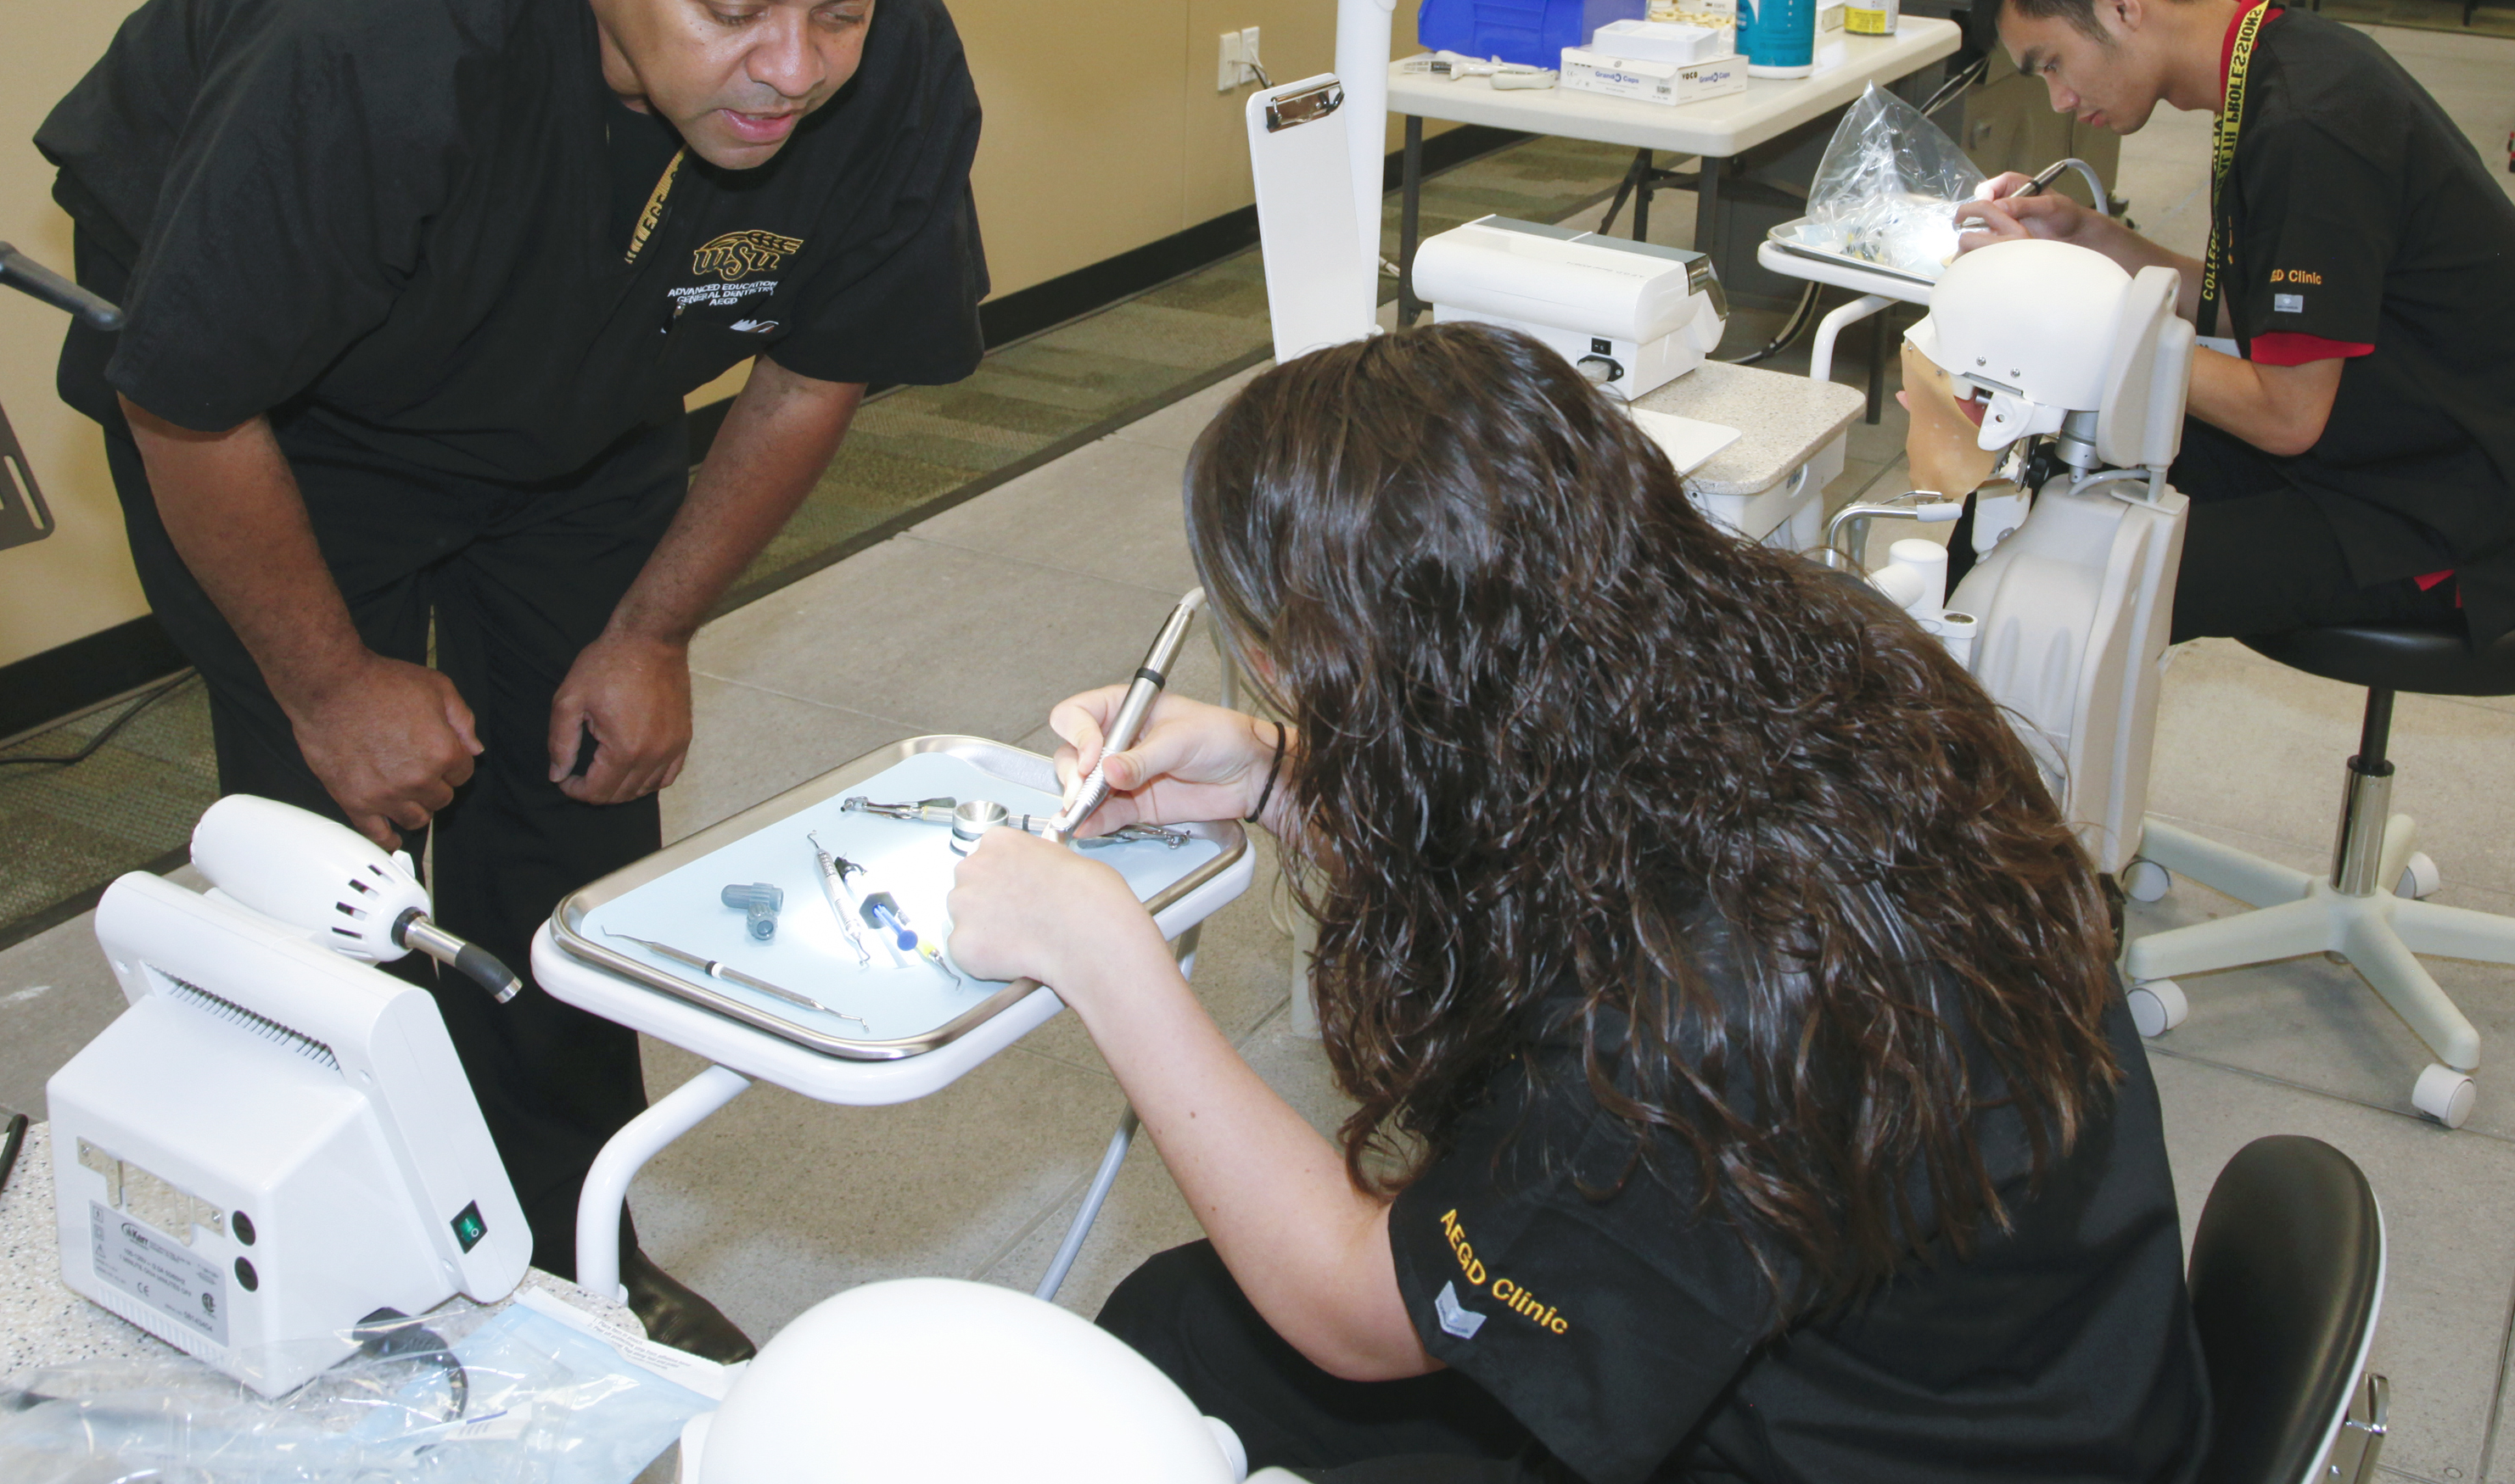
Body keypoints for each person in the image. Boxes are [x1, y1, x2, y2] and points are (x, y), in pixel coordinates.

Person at [36, 0, 988, 1358]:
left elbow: (820, 358)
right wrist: (336, 687)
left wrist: (657, 628)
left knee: (578, 801)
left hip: (577, 385)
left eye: (840, 7)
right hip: (282, 409)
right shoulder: (382, 38)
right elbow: (190, 403)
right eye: (735, 9)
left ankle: (564, 1257)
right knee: (322, 860)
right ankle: (341, 1269)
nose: (795, 68)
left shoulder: (872, 54)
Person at [946, 324, 2211, 1484]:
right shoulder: (1805, 634)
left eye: (1279, 653)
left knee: (1159, 1389)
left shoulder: (1693, 1016)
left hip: (1902, 1446)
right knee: (1179, 1324)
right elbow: (1555, 794)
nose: (1270, 671)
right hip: (2022, 1345)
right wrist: (1283, 774)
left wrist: (1105, 954)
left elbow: (1358, 1312)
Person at [1948, 0, 2515, 647]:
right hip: (2393, 427)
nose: (2057, 99)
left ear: (2120, 4)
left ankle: (1990, 759)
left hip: (2453, 514)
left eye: (2052, 64)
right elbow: (2254, 313)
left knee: (2064, 588)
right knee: (2013, 517)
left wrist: (2077, 313)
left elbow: (2284, 415)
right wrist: (2091, 239)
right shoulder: (2274, 57)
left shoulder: (2307, 126)